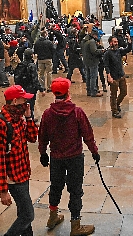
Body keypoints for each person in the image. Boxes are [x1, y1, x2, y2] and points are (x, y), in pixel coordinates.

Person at [38, 78, 99, 235]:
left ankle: (52, 217)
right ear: (68, 93)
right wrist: (94, 151)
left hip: (56, 157)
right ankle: (75, 225)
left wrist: (43, 153)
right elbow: (88, 134)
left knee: (55, 187)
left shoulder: (47, 114)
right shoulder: (77, 112)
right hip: (74, 157)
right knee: (75, 190)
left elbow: (42, 136)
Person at [0, 85, 38, 236]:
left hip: (23, 172)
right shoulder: (1, 124)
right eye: (25, 100)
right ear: (15, 101)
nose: (27, 103)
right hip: (13, 178)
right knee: (28, 215)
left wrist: (29, 117)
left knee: (23, 211)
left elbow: (32, 137)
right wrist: (3, 190)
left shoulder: (19, 118)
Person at [104, 35, 131, 118]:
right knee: (113, 95)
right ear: (110, 43)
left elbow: (127, 49)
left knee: (124, 92)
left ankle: (117, 104)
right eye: (115, 42)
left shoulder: (119, 51)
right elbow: (106, 65)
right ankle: (114, 111)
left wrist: (129, 40)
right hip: (113, 77)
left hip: (121, 75)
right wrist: (109, 76)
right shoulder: (107, 53)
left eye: (117, 42)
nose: (116, 43)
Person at [14, 48, 45, 121]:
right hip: (30, 89)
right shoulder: (32, 66)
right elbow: (35, 80)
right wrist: (41, 89)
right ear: (31, 55)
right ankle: (30, 120)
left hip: (21, 88)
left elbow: (16, 77)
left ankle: (20, 120)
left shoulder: (20, 65)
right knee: (30, 105)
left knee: (21, 104)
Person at [81, 29, 105, 97]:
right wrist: (101, 51)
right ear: (94, 35)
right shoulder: (92, 42)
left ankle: (89, 91)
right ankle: (93, 91)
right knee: (93, 77)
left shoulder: (84, 40)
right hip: (93, 61)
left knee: (88, 76)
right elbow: (94, 51)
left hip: (86, 60)